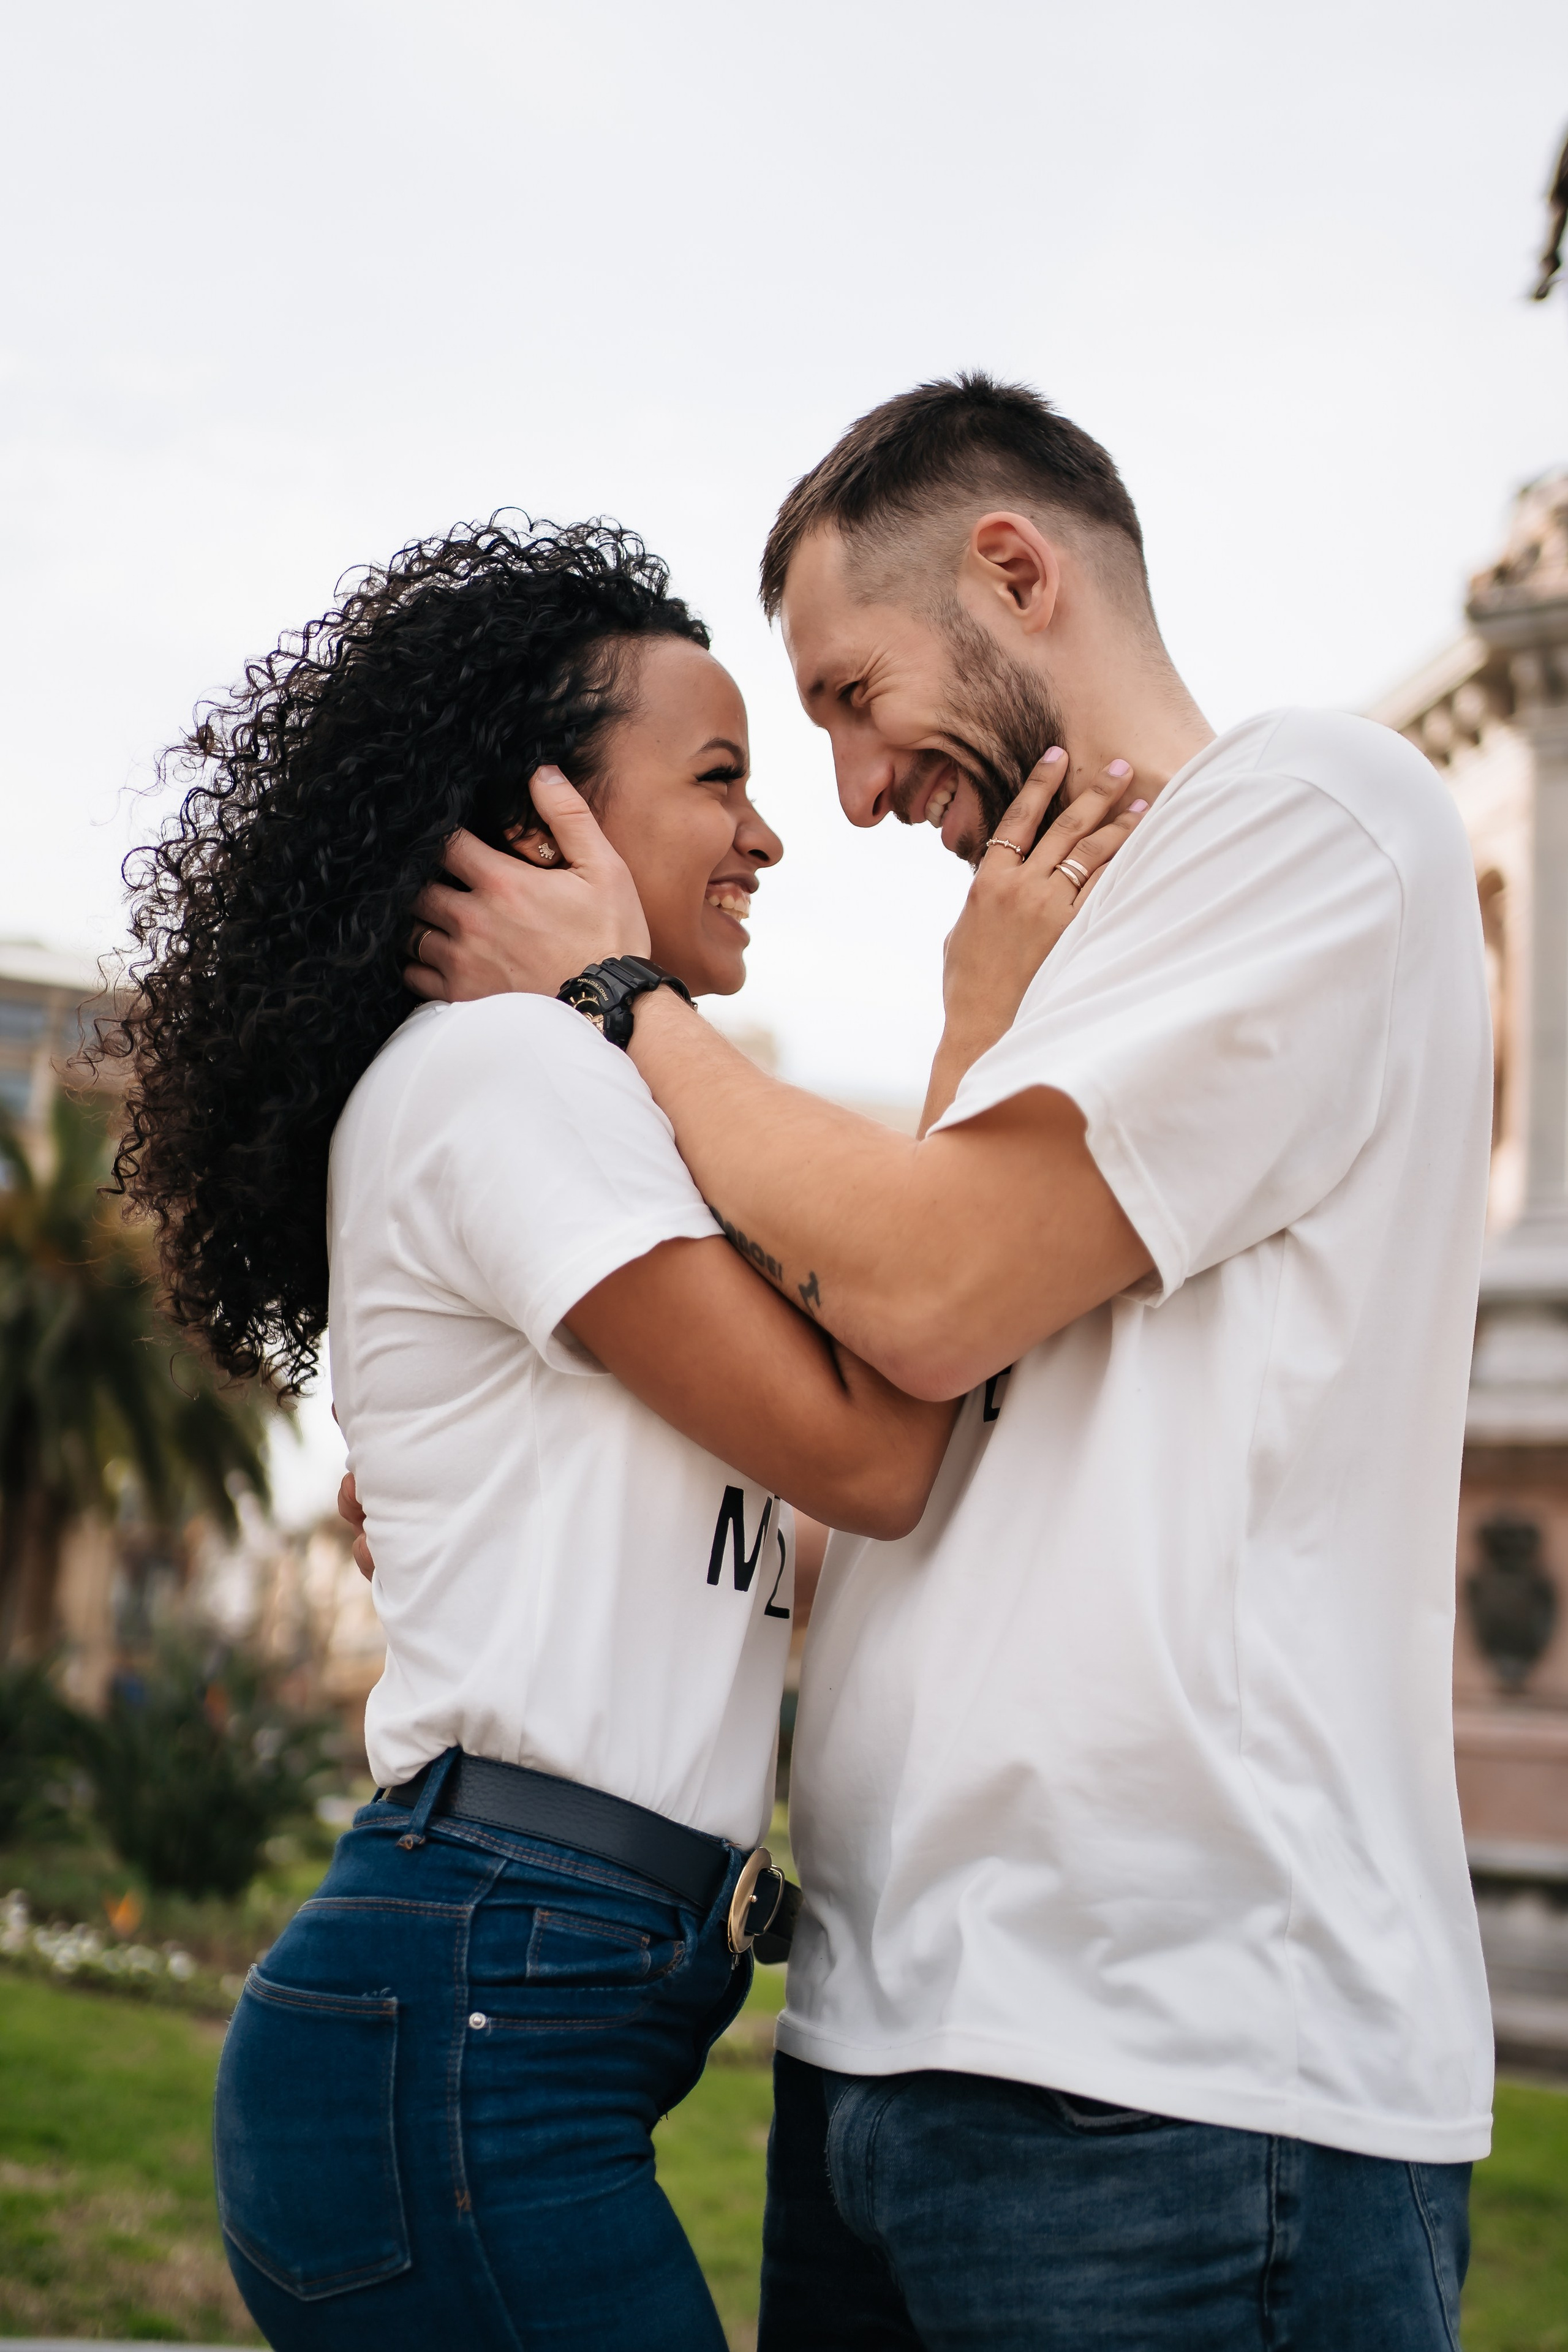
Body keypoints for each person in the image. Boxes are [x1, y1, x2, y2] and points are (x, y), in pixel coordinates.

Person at [402, 376, 1493, 2352]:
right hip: (896, 2053)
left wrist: (615, 997)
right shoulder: (1050, 969)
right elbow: (908, 1447)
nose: (845, 791)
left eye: (846, 693)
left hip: (1180, 2080)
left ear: (1014, 570)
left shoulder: (1312, 812)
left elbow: (917, 1295)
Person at [106, 514, 1134, 2352]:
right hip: (471, 2029)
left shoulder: (586, 1105)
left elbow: (813, 1519)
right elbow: (878, 1458)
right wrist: (976, 1037)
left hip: (496, 2017)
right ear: (547, 822)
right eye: (723, 776)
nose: (770, 831)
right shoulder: (512, 1077)